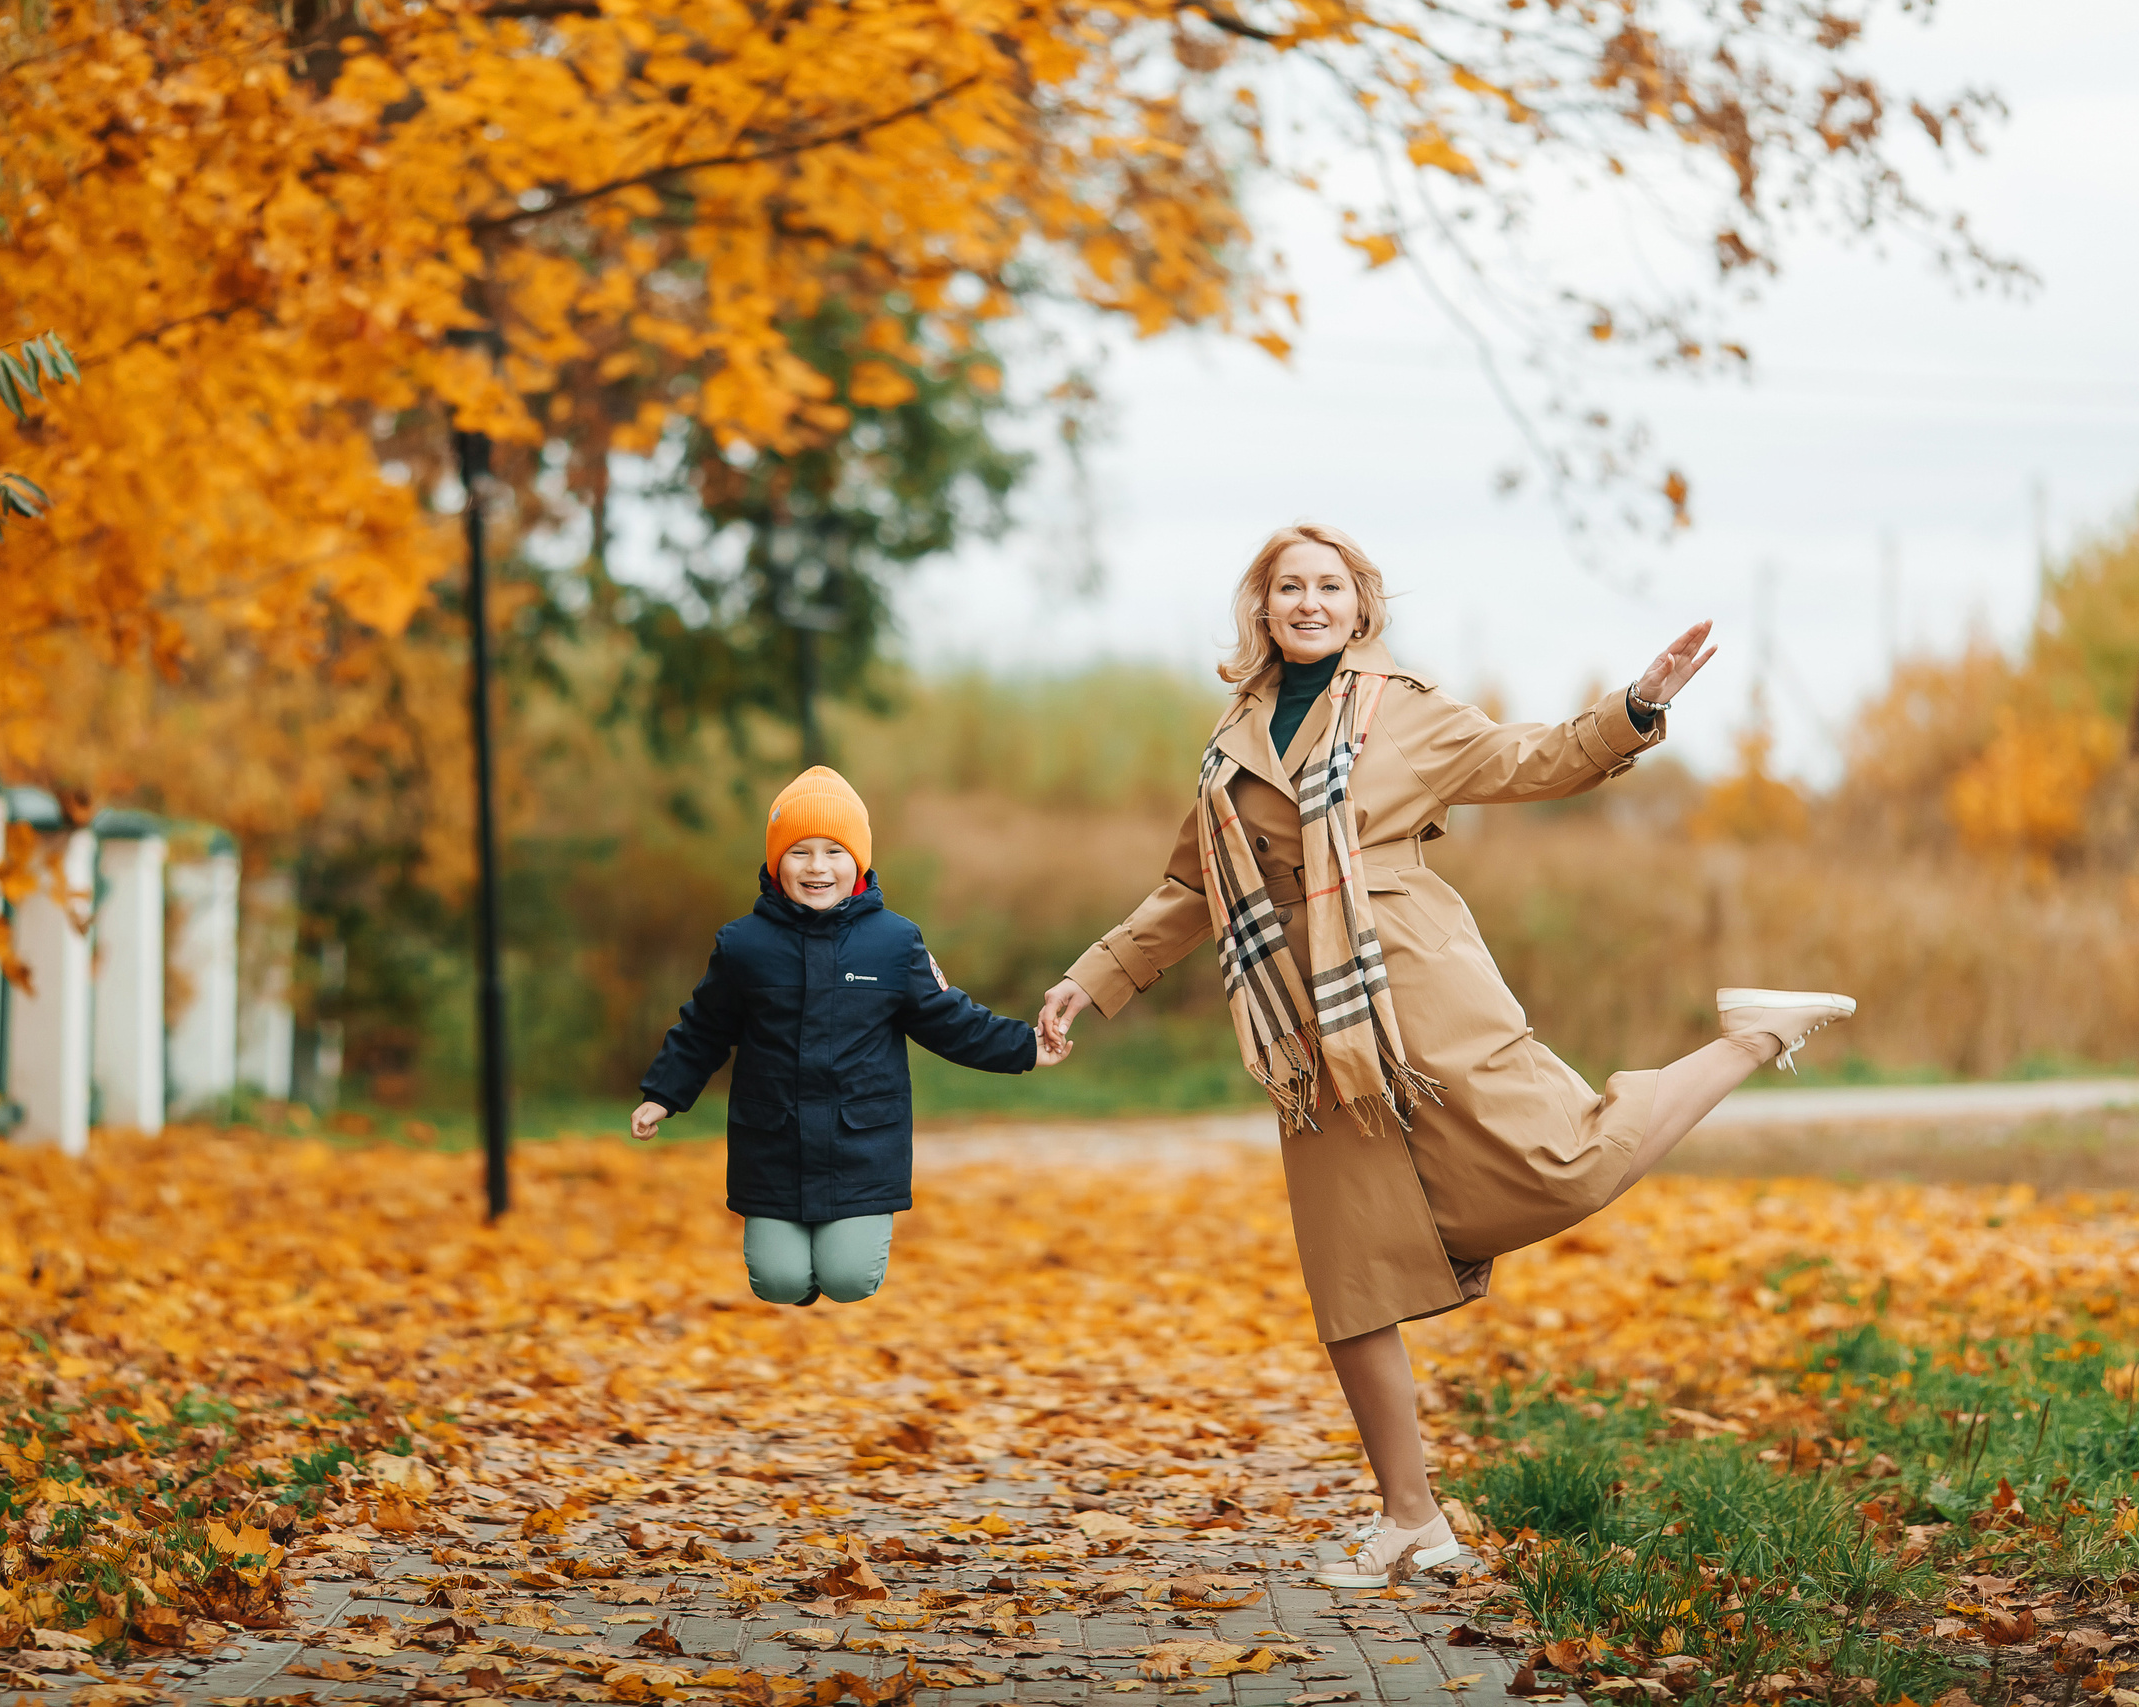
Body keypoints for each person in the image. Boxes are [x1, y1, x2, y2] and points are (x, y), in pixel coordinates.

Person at [1036, 523, 1855, 1588]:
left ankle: (1751, 1035)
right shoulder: (1232, 734)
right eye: (1290, 586)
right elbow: (1194, 889)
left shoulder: (1404, 709)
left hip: (1414, 991)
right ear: (1263, 606)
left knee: (1564, 1165)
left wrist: (1636, 706)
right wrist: (1091, 978)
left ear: (1360, 606)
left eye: (1329, 585)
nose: (1309, 602)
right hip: (1303, 1026)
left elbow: (1533, 759)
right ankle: (1410, 1518)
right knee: (1350, 1276)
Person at [633, 765, 1071, 1307]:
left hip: (862, 1143)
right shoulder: (743, 946)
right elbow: (704, 1027)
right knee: (778, 1281)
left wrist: (1025, 1047)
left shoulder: (893, 943)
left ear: (858, 861)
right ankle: (794, 1271)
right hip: (773, 1143)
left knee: (848, 1279)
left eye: (834, 851)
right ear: (776, 861)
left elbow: (949, 1019)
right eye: (800, 851)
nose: (817, 867)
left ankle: (842, 1256)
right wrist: (662, 1094)